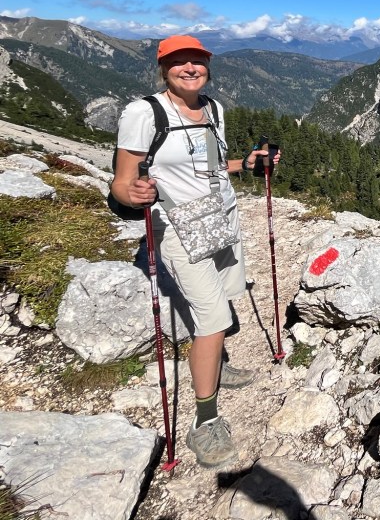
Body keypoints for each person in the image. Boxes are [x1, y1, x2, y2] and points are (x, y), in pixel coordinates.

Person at [110, 34, 279, 468]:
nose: (189, 68)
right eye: (178, 61)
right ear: (163, 68)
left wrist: (249, 164)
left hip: (220, 219)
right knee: (213, 317)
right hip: (177, 229)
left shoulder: (212, 109)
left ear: (207, 66)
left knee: (225, 296)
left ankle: (216, 365)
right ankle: (205, 421)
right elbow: (122, 183)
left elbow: (212, 167)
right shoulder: (144, 113)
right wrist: (133, 195)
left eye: (197, 61)